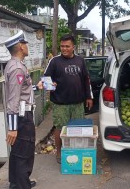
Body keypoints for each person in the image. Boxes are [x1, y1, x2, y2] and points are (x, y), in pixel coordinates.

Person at [4, 30, 46, 189]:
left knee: (17, 152)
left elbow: (21, 91)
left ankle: (16, 182)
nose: (27, 46)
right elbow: (14, 100)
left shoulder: (15, 65)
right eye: (26, 44)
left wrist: (36, 87)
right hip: (22, 118)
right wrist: (12, 128)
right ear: (21, 46)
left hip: (20, 115)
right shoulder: (17, 69)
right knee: (24, 154)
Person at [38, 34, 93, 164]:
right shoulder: (55, 61)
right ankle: (59, 153)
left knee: (78, 129)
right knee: (60, 128)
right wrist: (51, 86)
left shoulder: (80, 60)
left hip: (78, 103)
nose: (64, 49)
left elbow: (86, 79)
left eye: (67, 46)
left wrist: (89, 96)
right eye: (62, 46)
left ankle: (76, 151)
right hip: (60, 103)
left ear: (73, 47)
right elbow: (45, 80)